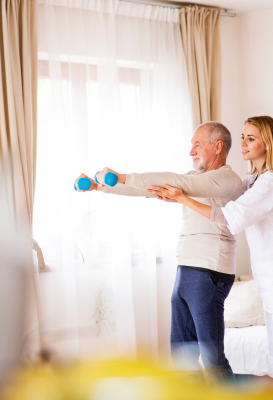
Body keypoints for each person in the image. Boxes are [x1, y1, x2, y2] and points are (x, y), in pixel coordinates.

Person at [148, 116, 273, 385]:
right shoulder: (253, 182)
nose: (244, 143)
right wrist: (174, 192)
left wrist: (182, 198)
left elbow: (226, 216)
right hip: (272, 278)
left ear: (268, 144)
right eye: (242, 137)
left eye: (251, 138)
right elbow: (223, 194)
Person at [75, 122, 243, 386]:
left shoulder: (227, 179)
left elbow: (177, 182)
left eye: (197, 144)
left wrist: (123, 176)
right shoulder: (194, 179)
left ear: (218, 146)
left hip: (210, 270)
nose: (191, 151)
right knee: (182, 357)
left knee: (212, 358)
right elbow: (150, 189)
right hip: (187, 269)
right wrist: (102, 187)